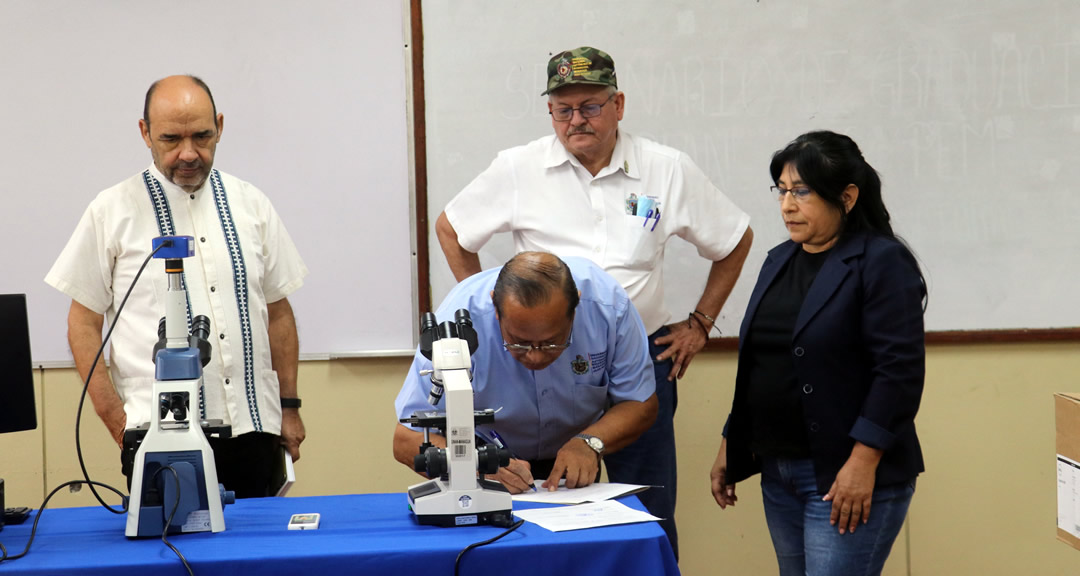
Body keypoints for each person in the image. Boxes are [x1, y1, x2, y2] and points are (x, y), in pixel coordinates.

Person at [434, 46, 753, 556]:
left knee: (648, 509)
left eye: (591, 106)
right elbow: (452, 229)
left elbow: (735, 237)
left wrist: (701, 322)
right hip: (542, 361)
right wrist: (491, 315)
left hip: (640, 359)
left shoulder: (665, 169)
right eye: (564, 110)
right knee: (536, 504)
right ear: (550, 113)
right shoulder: (519, 168)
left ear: (618, 103)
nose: (576, 120)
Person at [46, 75, 308, 498]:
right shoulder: (112, 211)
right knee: (170, 559)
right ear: (145, 132)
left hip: (256, 431)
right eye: (171, 139)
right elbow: (83, 324)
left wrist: (291, 408)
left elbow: (277, 311)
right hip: (159, 438)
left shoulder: (251, 204)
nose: (188, 153)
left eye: (202, 136)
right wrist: (115, 417)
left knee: (259, 562)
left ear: (220, 126)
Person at [710, 131, 926, 575]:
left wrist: (862, 463)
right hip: (778, 469)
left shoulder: (880, 262)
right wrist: (731, 442)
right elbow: (761, 362)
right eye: (783, 191)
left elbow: (898, 373)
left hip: (843, 472)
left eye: (802, 192)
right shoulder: (778, 260)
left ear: (846, 197)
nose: (787, 205)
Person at [394, 252, 658, 493]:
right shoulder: (455, 325)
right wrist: (473, 466)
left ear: (576, 305)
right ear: (495, 310)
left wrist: (591, 442)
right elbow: (406, 438)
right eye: (518, 342)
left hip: (576, 458)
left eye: (553, 342)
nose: (535, 355)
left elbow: (640, 403)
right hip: (485, 459)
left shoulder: (608, 306)